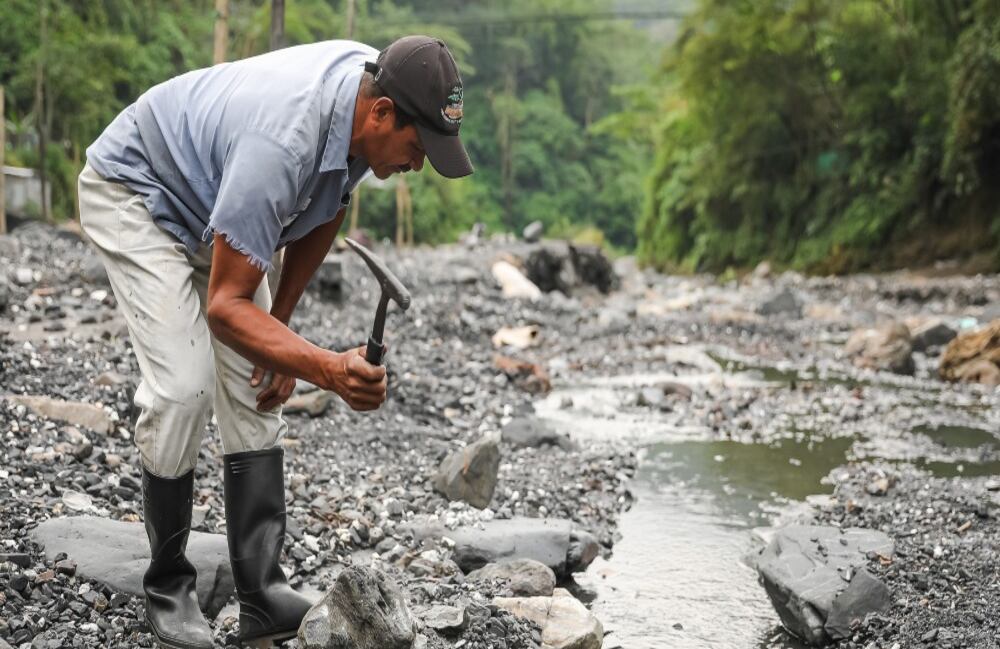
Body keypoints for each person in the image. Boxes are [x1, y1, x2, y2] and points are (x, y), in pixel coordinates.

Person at [77, 35, 472, 648]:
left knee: (258, 390)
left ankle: (261, 593)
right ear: (381, 113)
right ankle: (168, 585)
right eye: (418, 148)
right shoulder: (284, 141)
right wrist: (326, 369)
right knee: (183, 388)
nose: (417, 165)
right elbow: (225, 308)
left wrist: (280, 335)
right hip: (140, 191)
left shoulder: (376, 90)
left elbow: (330, 203)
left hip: (218, 203)